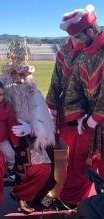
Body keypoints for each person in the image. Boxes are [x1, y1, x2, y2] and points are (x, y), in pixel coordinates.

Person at [0, 40, 56, 218]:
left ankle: (21, 194)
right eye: (14, 72)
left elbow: (46, 122)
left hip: (27, 139)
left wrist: (31, 128)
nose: (18, 77)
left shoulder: (33, 91)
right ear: (7, 71)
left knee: (43, 168)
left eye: (22, 72)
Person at [63, 4, 104, 207]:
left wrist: (95, 118)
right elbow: (74, 88)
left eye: (78, 37)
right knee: (80, 161)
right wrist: (79, 116)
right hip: (89, 119)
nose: (75, 42)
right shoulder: (83, 55)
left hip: (99, 119)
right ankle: (74, 199)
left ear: (90, 31)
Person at [45, 12, 85, 209]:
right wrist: (51, 107)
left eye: (78, 35)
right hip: (67, 112)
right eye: (73, 36)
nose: (75, 40)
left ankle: (72, 196)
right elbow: (56, 80)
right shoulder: (63, 52)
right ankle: (65, 192)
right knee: (71, 153)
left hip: (90, 115)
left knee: (83, 157)